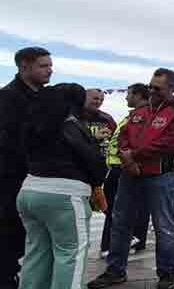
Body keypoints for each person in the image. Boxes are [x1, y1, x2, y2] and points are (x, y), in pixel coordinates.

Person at [88, 68, 174, 289]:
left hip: (161, 177)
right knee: (120, 223)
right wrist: (127, 159)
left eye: (158, 88)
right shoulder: (140, 111)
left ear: (172, 89)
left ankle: (166, 275)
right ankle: (115, 270)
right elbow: (124, 135)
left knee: (163, 226)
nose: (152, 91)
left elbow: (168, 143)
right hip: (130, 174)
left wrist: (134, 156)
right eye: (150, 86)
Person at [17, 83, 107, 289]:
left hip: (30, 190)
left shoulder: (35, 122)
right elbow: (94, 165)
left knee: (37, 253)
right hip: (65, 195)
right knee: (71, 254)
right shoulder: (70, 124)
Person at [0, 46, 52, 289]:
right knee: (9, 233)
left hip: (38, 179)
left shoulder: (45, 97)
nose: (50, 70)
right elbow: (11, 141)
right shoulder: (8, 97)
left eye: (50, 65)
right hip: (12, 178)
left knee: (28, 236)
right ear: (24, 66)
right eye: (43, 65)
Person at [100, 83, 152, 258]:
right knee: (113, 210)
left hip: (124, 169)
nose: (126, 97)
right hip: (115, 169)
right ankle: (118, 243)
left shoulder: (143, 116)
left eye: (129, 94)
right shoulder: (130, 116)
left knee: (119, 210)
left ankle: (119, 244)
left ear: (138, 95)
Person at [81, 89, 117, 158]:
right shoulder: (73, 117)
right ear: (84, 98)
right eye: (95, 99)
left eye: (102, 100)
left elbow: (115, 141)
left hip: (102, 163)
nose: (99, 102)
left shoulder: (107, 119)